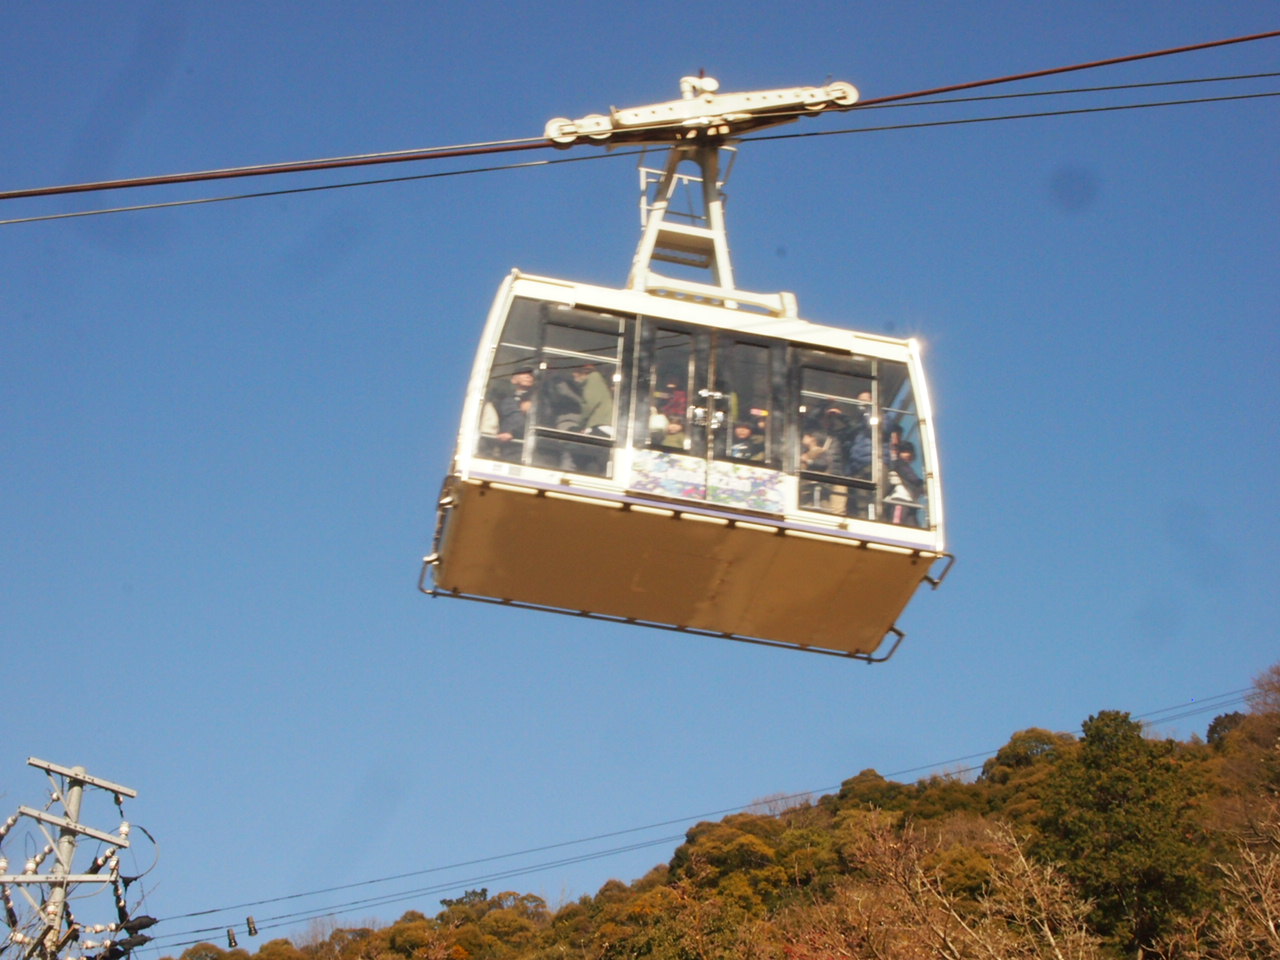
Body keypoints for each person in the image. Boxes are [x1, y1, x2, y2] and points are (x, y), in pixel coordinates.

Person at [885, 441, 925, 526]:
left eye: (909, 452)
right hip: (900, 500)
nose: (907, 455)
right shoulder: (899, 464)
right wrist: (923, 486)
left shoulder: (901, 465)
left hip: (909, 503)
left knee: (912, 527)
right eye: (905, 452)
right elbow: (911, 478)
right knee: (897, 526)